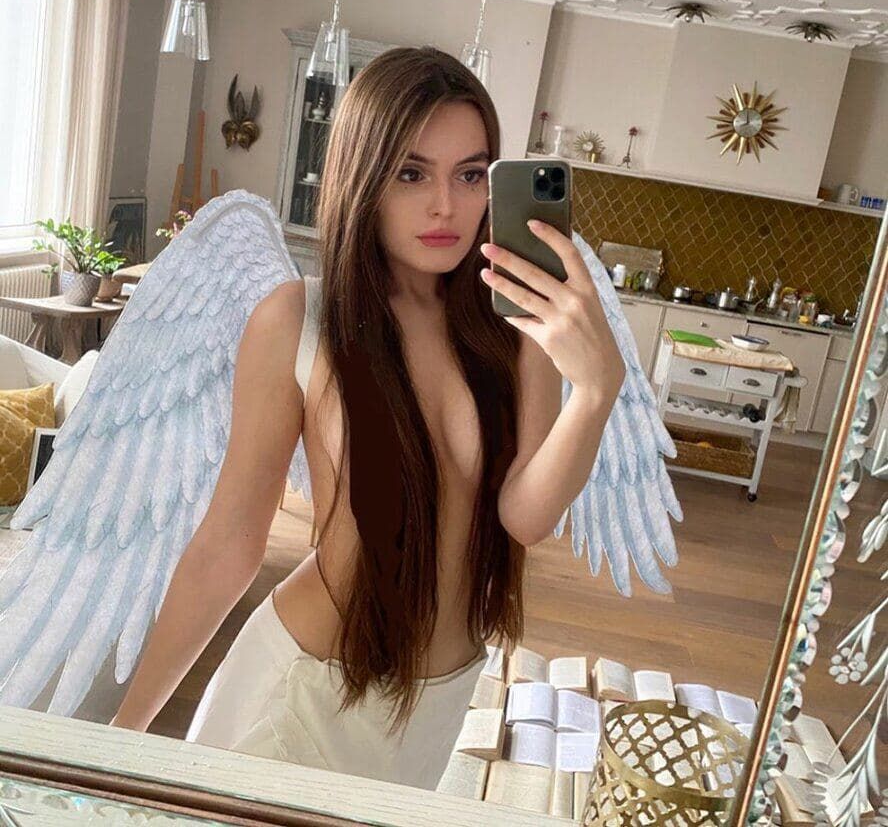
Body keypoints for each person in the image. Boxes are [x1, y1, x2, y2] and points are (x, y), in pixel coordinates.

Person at [108, 46, 625, 790]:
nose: (445, 205)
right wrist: (123, 736)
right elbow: (230, 544)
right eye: (412, 174)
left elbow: (524, 516)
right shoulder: (301, 319)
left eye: (470, 174)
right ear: (363, 176)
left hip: (436, 704)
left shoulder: (515, 325)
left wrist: (598, 388)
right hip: (298, 696)